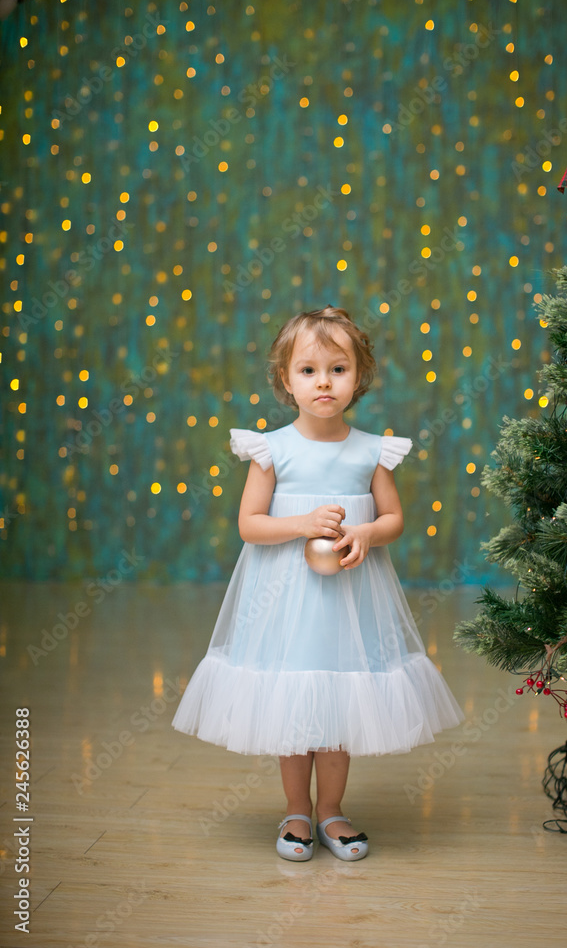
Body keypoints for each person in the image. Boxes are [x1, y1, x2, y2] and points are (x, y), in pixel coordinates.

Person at [172, 306, 463, 861]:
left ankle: (331, 809)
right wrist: (302, 524)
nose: (323, 382)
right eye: (308, 370)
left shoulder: (372, 450)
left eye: (338, 369)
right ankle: (297, 811)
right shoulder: (272, 450)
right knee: (294, 701)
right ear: (286, 380)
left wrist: (367, 535)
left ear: (360, 378)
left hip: (351, 601)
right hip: (285, 602)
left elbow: (393, 519)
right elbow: (250, 526)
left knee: (338, 703)